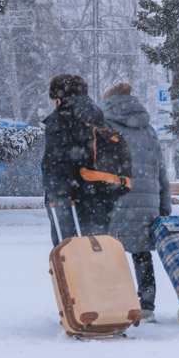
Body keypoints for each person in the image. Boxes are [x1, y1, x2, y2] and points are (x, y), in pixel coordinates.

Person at [102, 82, 172, 323]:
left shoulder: (106, 126)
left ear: (109, 101)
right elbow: (161, 169)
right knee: (142, 253)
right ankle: (147, 304)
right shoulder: (148, 129)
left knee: (113, 252)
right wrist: (164, 204)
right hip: (148, 201)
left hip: (118, 197)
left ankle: (118, 301)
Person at [41, 73, 117, 245]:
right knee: (97, 250)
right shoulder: (100, 119)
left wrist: (56, 195)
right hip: (101, 198)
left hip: (69, 200)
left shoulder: (60, 119)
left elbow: (56, 162)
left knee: (69, 254)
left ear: (59, 96)